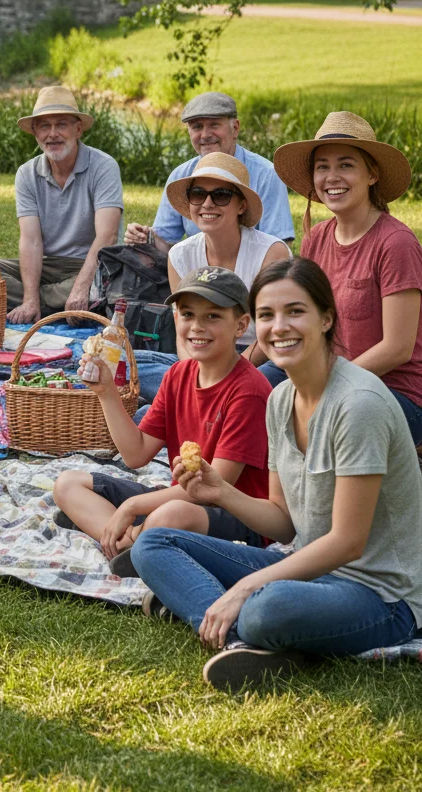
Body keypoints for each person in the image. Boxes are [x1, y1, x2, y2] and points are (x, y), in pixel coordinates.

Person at [131, 257, 422, 691]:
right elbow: (283, 521)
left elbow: (348, 542)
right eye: (267, 315)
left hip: (382, 595)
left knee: (266, 607)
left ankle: (233, 620)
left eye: (295, 311)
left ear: (326, 318)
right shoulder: (280, 398)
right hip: (307, 569)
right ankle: (242, 640)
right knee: (154, 542)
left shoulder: (358, 404)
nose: (279, 326)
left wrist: (245, 587)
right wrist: (222, 492)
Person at [53, 267, 272, 579]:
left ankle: (123, 538)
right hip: (179, 499)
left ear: (241, 325)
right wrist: (106, 393)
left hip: (235, 515)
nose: (197, 326)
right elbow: (136, 454)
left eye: (213, 317)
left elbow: (213, 487)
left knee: (172, 513)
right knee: (68, 484)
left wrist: (132, 507)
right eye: (187, 314)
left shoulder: (249, 391)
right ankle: (134, 544)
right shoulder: (178, 375)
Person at [271, 112, 422, 442]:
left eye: (346, 165)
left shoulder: (395, 243)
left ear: (372, 174)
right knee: (250, 390)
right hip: (322, 375)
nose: (331, 177)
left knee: (328, 425)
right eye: (322, 167)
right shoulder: (317, 238)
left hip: (392, 392)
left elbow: (398, 347)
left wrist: (324, 384)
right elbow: (300, 316)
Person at [0, 86, 123, 323]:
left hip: (91, 266)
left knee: (109, 285)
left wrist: (80, 287)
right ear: (35, 133)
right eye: (44, 126)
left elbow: (107, 237)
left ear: (78, 129)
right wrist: (30, 296)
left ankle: (49, 301)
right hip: (46, 267)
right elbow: (31, 240)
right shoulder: (27, 173)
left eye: (61, 124)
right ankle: (53, 307)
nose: (52, 134)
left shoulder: (104, 166)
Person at [131, 153, 290, 399]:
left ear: (241, 205)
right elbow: (183, 331)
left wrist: (227, 372)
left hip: (259, 355)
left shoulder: (271, 252)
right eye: (197, 194)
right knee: (125, 361)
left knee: (268, 377)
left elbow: (272, 333)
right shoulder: (180, 256)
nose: (207, 204)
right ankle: (198, 396)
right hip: (203, 351)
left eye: (221, 195)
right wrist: (196, 372)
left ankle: (187, 400)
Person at [125, 92, 294, 251]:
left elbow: (279, 248)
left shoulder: (267, 175)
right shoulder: (181, 176)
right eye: (197, 127)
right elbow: (166, 244)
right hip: (198, 276)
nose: (205, 135)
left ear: (235, 128)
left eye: (214, 125)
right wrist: (144, 237)